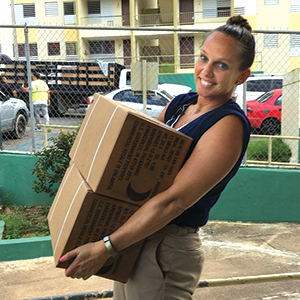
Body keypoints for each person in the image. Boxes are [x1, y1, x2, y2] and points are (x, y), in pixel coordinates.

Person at [60, 15, 255, 300]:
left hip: (166, 249)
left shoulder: (228, 125)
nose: (206, 71)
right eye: (203, 58)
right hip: (136, 236)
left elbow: (174, 202)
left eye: (221, 65)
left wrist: (106, 247)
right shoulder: (181, 104)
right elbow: (139, 158)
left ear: (242, 76)